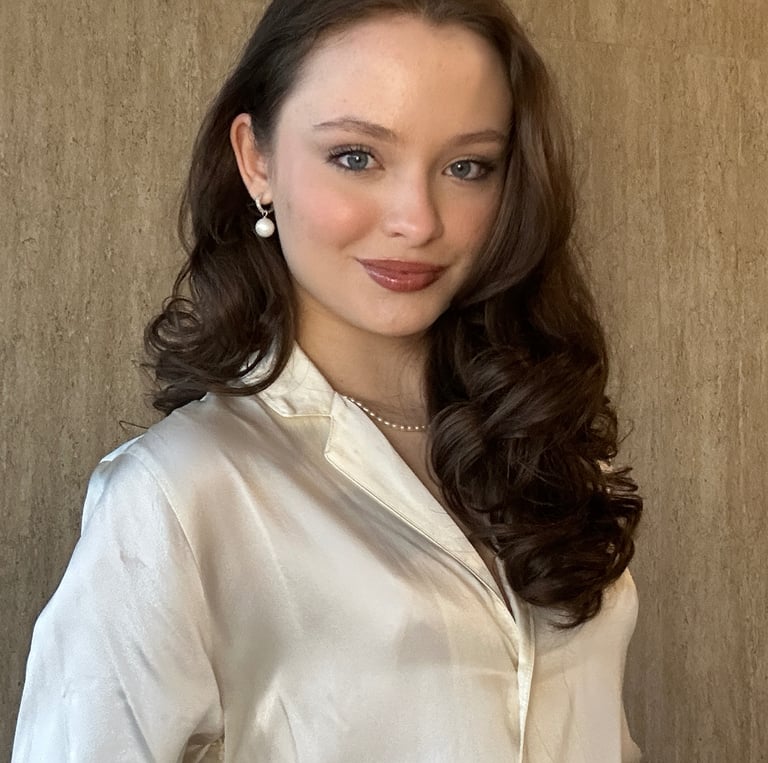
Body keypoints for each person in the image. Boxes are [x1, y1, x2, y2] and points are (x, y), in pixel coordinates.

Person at [12, 0, 644, 760]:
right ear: (257, 161)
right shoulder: (177, 496)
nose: (417, 220)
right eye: (356, 157)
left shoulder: (546, 452)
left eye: (467, 167)